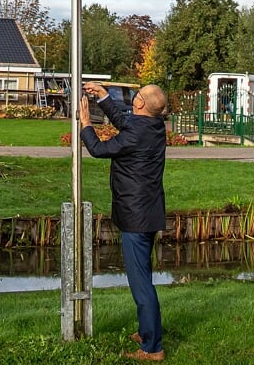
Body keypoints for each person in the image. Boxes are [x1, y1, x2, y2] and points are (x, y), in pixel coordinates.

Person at [79, 82, 168, 361]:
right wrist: (104, 96)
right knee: (142, 277)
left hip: (136, 218)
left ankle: (153, 348)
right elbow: (126, 122)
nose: (134, 98)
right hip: (148, 213)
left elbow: (98, 149)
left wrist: (85, 123)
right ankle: (147, 332)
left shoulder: (136, 135)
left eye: (137, 95)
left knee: (141, 284)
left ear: (140, 104)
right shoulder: (153, 127)